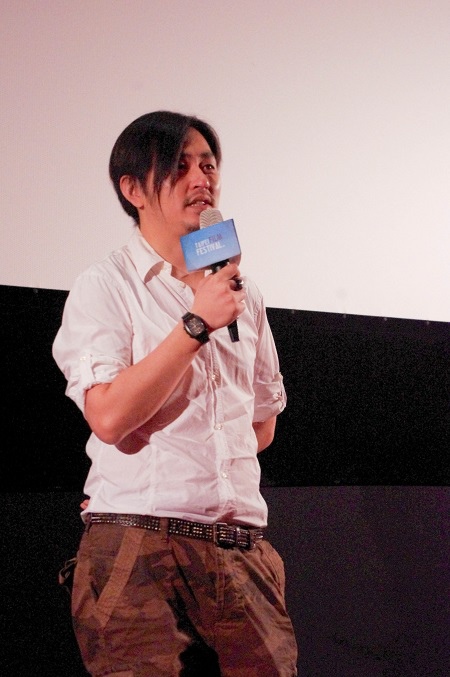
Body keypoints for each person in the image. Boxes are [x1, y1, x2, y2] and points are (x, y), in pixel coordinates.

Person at [53, 110, 298, 676]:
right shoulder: (106, 286)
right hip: (139, 544)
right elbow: (108, 417)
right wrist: (195, 325)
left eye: (208, 166)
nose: (201, 179)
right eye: (180, 166)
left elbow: (260, 424)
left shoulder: (242, 294)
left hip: (241, 550)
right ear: (134, 189)